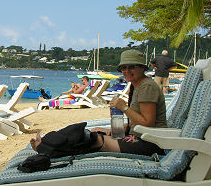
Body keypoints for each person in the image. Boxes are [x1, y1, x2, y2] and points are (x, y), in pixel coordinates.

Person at [31, 50, 167, 157]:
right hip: (140, 136)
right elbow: (136, 121)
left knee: (91, 140)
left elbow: (148, 122)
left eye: (132, 67)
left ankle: (45, 146)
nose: (127, 71)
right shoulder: (137, 86)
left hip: (150, 143)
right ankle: (47, 141)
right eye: (123, 68)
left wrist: (123, 107)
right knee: (90, 132)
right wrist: (112, 130)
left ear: (142, 68)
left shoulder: (147, 87)